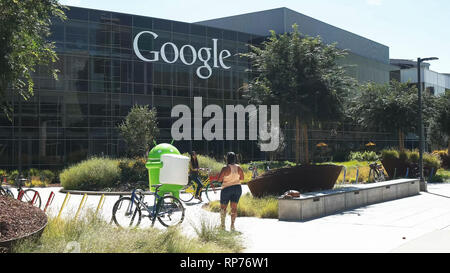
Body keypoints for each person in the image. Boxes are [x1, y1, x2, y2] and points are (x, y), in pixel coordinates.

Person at [217, 152, 244, 231]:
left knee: (223, 208)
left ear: (227, 158)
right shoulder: (239, 168)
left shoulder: (225, 168)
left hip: (226, 189)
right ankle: (232, 225)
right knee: (234, 208)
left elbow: (219, 180)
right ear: (235, 158)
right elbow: (242, 178)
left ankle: (222, 226)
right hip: (237, 188)